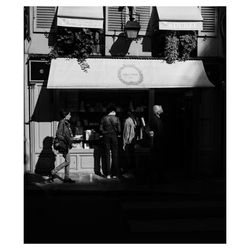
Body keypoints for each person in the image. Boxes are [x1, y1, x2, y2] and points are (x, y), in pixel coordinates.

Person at [49, 109, 75, 183]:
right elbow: (58, 135)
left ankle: (66, 178)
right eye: (69, 114)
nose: (70, 116)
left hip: (66, 144)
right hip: (63, 144)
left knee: (68, 161)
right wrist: (66, 140)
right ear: (65, 115)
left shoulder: (66, 123)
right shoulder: (62, 122)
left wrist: (70, 139)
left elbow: (66, 134)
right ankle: (53, 172)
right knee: (68, 161)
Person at [99, 105, 122, 179]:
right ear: (113, 111)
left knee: (107, 154)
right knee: (115, 154)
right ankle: (114, 174)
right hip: (114, 136)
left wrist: (105, 132)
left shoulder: (104, 118)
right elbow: (119, 130)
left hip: (106, 137)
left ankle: (108, 174)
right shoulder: (117, 119)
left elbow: (100, 129)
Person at [148, 105, 164, 185]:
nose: (162, 109)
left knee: (157, 161)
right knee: (156, 161)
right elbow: (158, 132)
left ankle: (157, 178)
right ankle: (156, 179)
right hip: (156, 143)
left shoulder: (156, 119)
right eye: (160, 109)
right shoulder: (155, 120)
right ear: (157, 111)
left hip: (157, 142)